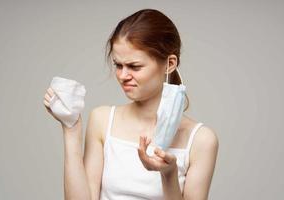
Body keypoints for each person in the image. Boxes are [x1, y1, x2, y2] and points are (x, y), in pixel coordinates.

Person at [43, 8, 219, 200]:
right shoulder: (102, 120)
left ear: (169, 64)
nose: (122, 76)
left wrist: (168, 175)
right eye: (118, 65)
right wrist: (71, 128)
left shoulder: (201, 140)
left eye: (134, 66)